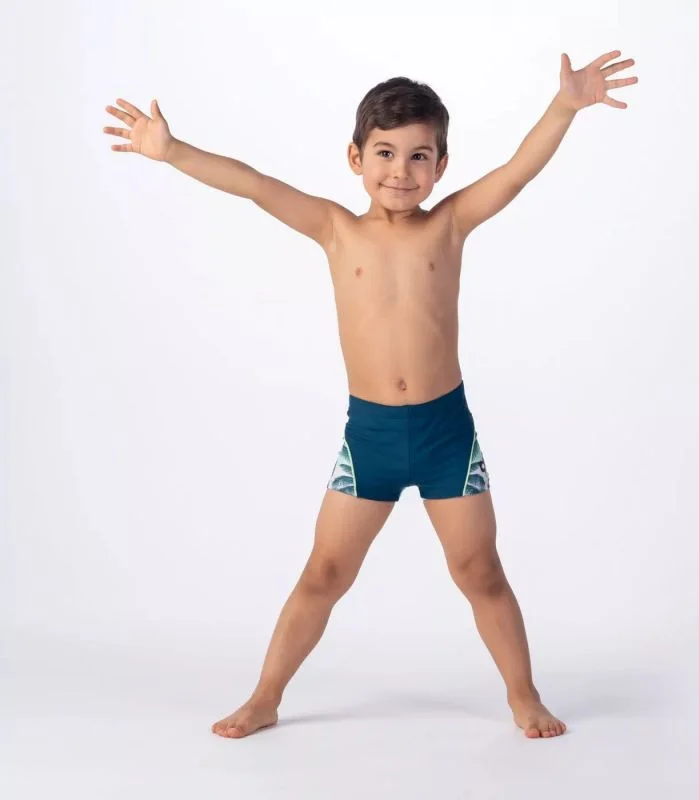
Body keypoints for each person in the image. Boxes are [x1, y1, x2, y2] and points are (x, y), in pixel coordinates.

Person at [103, 50, 637, 740]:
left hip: (446, 436)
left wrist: (564, 107)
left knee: (480, 571)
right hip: (371, 439)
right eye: (385, 153)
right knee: (324, 572)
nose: (401, 171)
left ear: (441, 166)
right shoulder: (336, 229)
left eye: (419, 157)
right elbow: (254, 185)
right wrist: (172, 151)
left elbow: (515, 172)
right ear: (355, 157)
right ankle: (265, 697)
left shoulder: (449, 224)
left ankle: (523, 695)